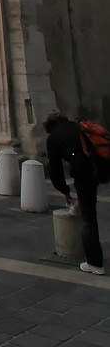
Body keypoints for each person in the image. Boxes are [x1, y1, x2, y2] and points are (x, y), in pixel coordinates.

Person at [44, 112, 105, 275]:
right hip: (101, 165)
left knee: (88, 217)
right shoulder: (75, 126)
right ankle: (77, 206)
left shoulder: (54, 137)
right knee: (88, 200)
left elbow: (55, 169)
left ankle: (94, 263)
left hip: (84, 169)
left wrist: (64, 190)